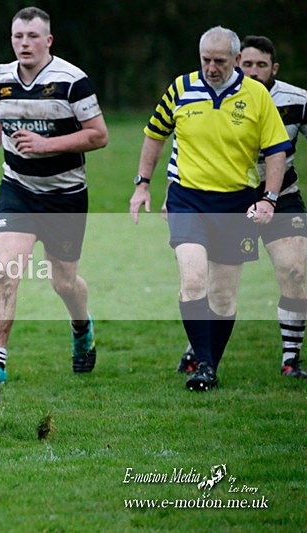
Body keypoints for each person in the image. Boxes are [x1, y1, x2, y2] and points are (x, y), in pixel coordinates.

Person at [130, 26, 290, 391]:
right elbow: (155, 134)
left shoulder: (256, 96)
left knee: (223, 294)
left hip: (236, 202)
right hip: (189, 198)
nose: (212, 68)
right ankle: (203, 363)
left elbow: (276, 150)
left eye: (220, 61)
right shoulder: (181, 89)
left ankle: (209, 366)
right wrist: (142, 183)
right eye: (206, 60)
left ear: (237, 60)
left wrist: (269, 198)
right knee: (192, 280)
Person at [0, 7, 108, 381]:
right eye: (18, 36)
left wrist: (46, 144)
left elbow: (98, 135)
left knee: (64, 283)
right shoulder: (0, 77)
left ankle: (81, 328)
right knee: (4, 272)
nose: (24, 43)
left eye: (32, 36)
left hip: (65, 195)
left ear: (48, 41)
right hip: (18, 189)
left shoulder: (72, 81)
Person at [176, 36, 307, 379]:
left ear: (273, 68)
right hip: (231, 197)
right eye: (246, 65)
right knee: (205, 278)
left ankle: (290, 358)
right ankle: (201, 351)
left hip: (281, 196)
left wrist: (272, 196)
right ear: (237, 63)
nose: (252, 71)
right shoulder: (211, 93)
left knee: (294, 271)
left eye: (261, 65)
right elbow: (185, 143)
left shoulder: (295, 100)